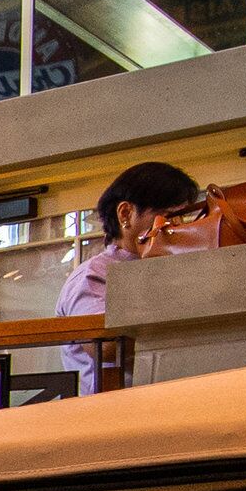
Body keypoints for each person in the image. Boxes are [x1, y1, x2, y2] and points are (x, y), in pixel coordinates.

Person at [57, 162, 205, 394]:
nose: (178, 226)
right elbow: (106, 346)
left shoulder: (167, 268)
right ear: (125, 214)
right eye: (169, 217)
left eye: (183, 218)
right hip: (110, 409)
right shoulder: (94, 275)